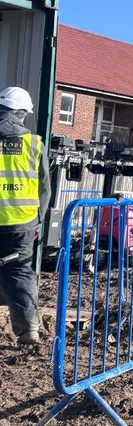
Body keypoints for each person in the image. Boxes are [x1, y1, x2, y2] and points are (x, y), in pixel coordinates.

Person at [0, 85, 49, 346]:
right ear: (21, 113)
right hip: (21, 222)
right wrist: (38, 220)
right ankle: (29, 328)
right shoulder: (33, 144)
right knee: (20, 273)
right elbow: (44, 188)